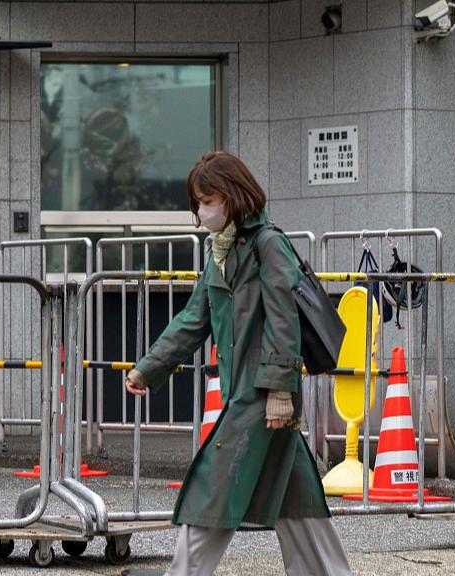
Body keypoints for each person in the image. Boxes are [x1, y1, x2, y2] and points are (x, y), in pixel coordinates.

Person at [122, 151, 351, 576]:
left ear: (232, 196)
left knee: (212, 489)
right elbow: (194, 319)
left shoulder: (268, 244)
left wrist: (280, 390)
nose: (201, 211)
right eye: (197, 203)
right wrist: (149, 368)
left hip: (260, 396)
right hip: (246, 394)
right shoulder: (220, 250)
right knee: (296, 501)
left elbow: (283, 319)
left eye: (207, 201)